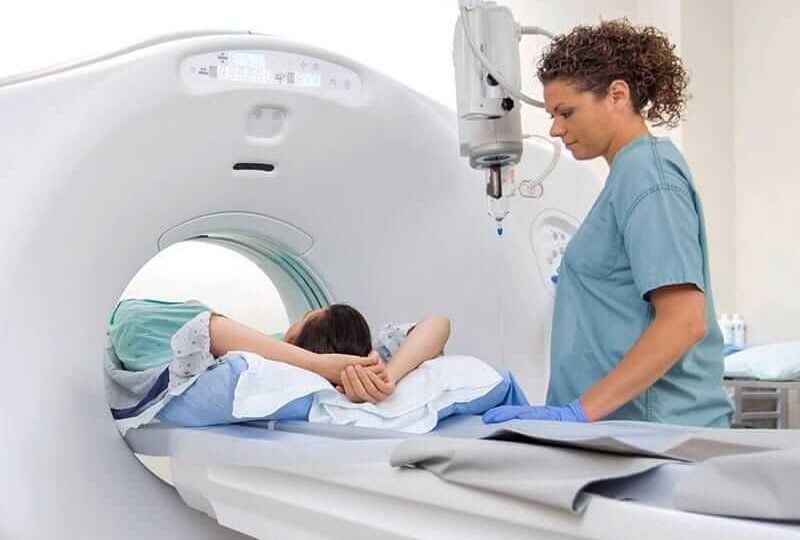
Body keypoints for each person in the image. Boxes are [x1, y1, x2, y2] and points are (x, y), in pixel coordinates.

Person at [483, 19, 733, 427]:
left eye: (566, 112)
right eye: (552, 115)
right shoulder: (628, 175)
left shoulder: (647, 174)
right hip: (625, 429)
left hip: (657, 431)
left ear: (617, 95)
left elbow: (684, 320)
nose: (555, 129)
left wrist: (579, 411)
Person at [108, 298, 450, 404]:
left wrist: (386, 377)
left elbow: (436, 325)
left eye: (304, 318)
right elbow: (438, 322)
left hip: (154, 326)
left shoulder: (353, 366)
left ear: (295, 335)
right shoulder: (332, 363)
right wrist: (320, 364)